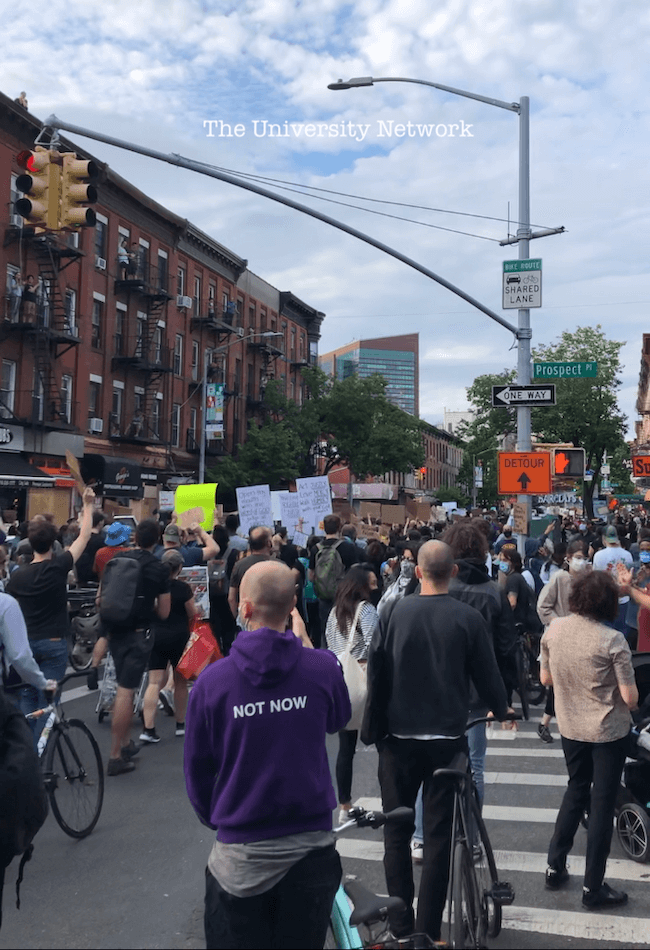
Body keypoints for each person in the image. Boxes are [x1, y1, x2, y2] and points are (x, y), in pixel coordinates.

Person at [184, 560, 351, 949]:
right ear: (293, 603)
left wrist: (224, 818)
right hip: (310, 848)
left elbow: (198, 770)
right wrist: (310, 648)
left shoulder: (213, 682)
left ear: (244, 609)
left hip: (240, 856)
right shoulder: (321, 668)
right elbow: (339, 720)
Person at [361, 540, 511, 942]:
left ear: (418, 572)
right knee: (440, 837)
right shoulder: (467, 617)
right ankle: (428, 932)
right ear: (454, 572)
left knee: (396, 831)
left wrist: (372, 728)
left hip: (396, 737)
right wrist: (503, 707)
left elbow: (376, 671)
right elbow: (488, 674)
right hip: (447, 737)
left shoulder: (392, 612)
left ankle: (399, 924)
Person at [541, 570, 637, 909]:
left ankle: (555, 866)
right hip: (607, 731)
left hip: (570, 728)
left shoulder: (554, 630)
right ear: (609, 603)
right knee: (601, 805)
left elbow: (545, 677)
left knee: (576, 788)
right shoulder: (612, 640)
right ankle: (592, 888)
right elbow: (630, 698)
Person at [6, 487, 96, 742]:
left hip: (25, 644)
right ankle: (40, 750)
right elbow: (83, 538)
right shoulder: (57, 567)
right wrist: (88, 505)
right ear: (53, 543)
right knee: (49, 701)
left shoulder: (17, 576)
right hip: (54, 643)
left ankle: (27, 748)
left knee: (27, 698)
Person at [100, 518, 170, 775]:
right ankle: (115, 755)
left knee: (122, 684)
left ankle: (126, 743)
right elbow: (164, 611)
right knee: (126, 691)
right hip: (138, 633)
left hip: (115, 629)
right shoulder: (158, 568)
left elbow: (101, 597)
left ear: (135, 538)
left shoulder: (115, 561)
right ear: (158, 538)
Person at [325, 564, 379, 824]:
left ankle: (344, 805)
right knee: (383, 741)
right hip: (365, 679)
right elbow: (375, 643)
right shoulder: (366, 610)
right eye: (372, 582)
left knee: (346, 748)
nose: (375, 585)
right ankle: (390, 798)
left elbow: (331, 645)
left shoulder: (334, 612)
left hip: (342, 681)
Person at [140, 549, 197, 743]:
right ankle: (180, 724)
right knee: (180, 682)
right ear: (179, 568)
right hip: (179, 637)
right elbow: (192, 612)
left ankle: (148, 728)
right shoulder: (183, 587)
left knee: (154, 682)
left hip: (156, 636)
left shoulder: (153, 586)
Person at [536, 540, 589, 743]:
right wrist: (559, 624)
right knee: (559, 682)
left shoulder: (587, 580)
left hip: (582, 638)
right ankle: (546, 723)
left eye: (584, 558)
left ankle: (549, 723)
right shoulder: (559, 578)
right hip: (559, 638)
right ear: (568, 558)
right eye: (577, 557)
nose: (581, 562)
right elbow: (543, 606)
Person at [309, 514, 358, 628]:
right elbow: (354, 573)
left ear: (324, 528)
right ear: (339, 528)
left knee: (325, 630)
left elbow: (311, 576)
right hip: (342, 596)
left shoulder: (315, 549)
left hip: (323, 596)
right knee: (342, 629)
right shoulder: (347, 547)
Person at [592, 524, 634, 636]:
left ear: (604, 539)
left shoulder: (598, 555)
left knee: (606, 633)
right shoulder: (627, 555)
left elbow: (596, 577)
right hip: (623, 598)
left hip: (605, 598)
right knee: (622, 632)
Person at [227, 525, 273, 620]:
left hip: (248, 618)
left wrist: (238, 618)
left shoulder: (239, 565)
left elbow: (231, 598)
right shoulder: (279, 566)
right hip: (273, 619)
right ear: (269, 543)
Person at [75, 510, 106, 585]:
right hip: (95, 578)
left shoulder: (79, 539)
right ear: (100, 523)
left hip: (79, 576)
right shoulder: (102, 541)